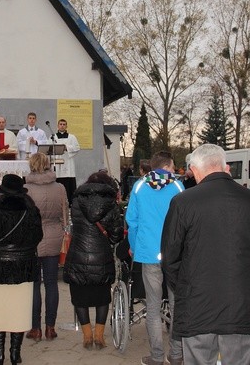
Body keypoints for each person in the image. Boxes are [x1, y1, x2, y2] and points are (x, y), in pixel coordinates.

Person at [161, 144, 250, 365]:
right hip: (241, 303)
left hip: (197, 305)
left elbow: (170, 256)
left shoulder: (183, 202)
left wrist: (184, 287)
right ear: (225, 166)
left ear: (194, 169)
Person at [0, 174, 43, 365]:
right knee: (19, 310)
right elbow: (38, 235)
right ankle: (15, 353)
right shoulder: (30, 208)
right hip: (23, 266)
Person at [126, 151, 184, 365]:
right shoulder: (177, 187)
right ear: (168, 166)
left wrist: (133, 247)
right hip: (175, 255)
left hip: (149, 253)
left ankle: (157, 357)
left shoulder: (139, 186)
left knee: (152, 307)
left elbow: (132, 221)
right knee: (178, 304)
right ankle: (176, 355)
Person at [63, 171, 124, 350]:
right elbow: (116, 235)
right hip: (102, 256)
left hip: (78, 254)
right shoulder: (111, 204)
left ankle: (87, 336)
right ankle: (99, 336)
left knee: (80, 297)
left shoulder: (76, 202)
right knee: (102, 297)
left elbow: (75, 226)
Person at [24, 153, 68, 342]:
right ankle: (50, 327)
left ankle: (35, 328)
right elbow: (65, 213)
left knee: (34, 285)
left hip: (32, 239)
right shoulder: (59, 187)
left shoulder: (26, 188)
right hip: (54, 235)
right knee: (51, 283)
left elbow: (24, 216)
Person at [53, 119, 80, 204]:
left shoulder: (72, 137)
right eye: (60, 124)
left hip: (68, 162)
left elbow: (77, 147)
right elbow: (49, 148)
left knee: (69, 184)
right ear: (58, 126)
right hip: (57, 163)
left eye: (64, 124)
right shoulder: (53, 137)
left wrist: (66, 147)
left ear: (66, 126)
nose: (62, 126)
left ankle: (70, 203)